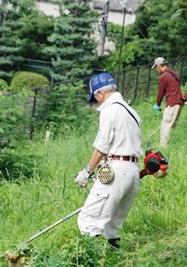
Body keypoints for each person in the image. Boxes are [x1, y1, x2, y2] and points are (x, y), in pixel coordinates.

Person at [74, 72, 142, 249]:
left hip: (117, 171)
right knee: (112, 226)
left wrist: (87, 172)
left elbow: (101, 146)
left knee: (88, 220)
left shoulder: (110, 110)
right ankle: (113, 259)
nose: (97, 102)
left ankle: (90, 260)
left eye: (95, 98)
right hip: (133, 172)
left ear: (100, 93)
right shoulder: (132, 112)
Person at [152, 57, 183, 147]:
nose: (156, 70)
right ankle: (172, 145)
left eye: (155, 67)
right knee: (172, 126)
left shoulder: (163, 76)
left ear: (158, 66)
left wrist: (157, 104)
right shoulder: (174, 73)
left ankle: (163, 148)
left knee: (165, 126)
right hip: (178, 102)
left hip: (172, 103)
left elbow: (160, 93)